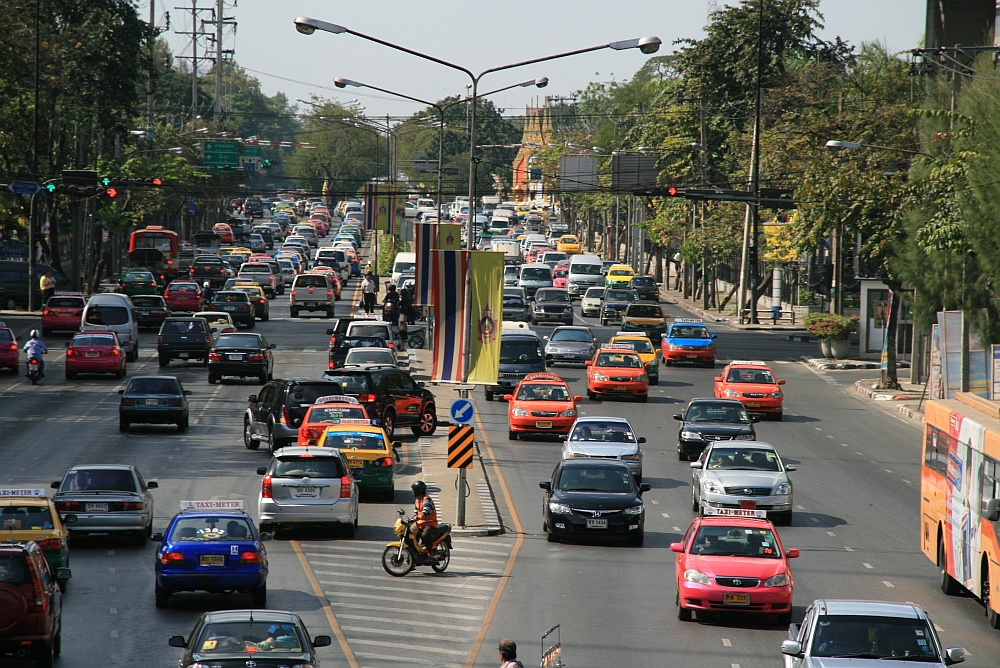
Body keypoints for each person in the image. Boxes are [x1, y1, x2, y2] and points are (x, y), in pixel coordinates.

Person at [411, 480, 438, 552]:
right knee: (412, 536)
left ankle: (430, 553)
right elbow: (416, 511)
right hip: (420, 524)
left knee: (425, 536)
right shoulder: (417, 500)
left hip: (430, 523)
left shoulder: (427, 499)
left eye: (414, 490)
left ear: (417, 490)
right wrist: (412, 519)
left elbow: (427, 509)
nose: (413, 492)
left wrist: (421, 516)